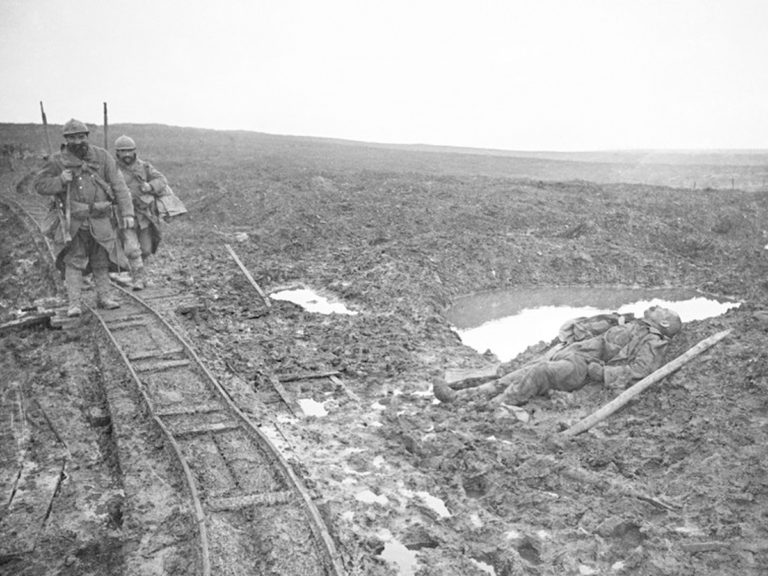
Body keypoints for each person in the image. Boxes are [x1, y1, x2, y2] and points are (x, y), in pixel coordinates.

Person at [434, 306, 682, 406]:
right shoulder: (634, 322)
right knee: (518, 374)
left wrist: (603, 373)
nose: (655, 306)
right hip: (575, 355)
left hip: (583, 369)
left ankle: (492, 407)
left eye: (662, 309)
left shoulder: (653, 340)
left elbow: (641, 371)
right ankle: (460, 397)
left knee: (541, 372)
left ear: (663, 321)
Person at [34, 119, 135, 316]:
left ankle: (105, 297)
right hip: (74, 221)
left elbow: (119, 186)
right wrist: (60, 181)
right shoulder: (57, 161)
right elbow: (40, 185)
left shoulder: (103, 157)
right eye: (72, 138)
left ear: (87, 137)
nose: (77, 141)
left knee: (101, 259)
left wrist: (128, 213)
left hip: (100, 219)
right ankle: (74, 303)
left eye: (81, 136)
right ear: (66, 139)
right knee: (74, 260)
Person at [113, 135, 168, 290]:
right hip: (123, 214)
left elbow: (162, 180)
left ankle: (144, 276)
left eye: (129, 151)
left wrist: (149, 186)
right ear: (117, 153)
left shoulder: (144, 167)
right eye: (123, 151)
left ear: (134, 151)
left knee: (146, 248)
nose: (127, 155)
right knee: (132, 248)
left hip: (144, 214)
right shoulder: (112, 169)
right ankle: (137, 279)